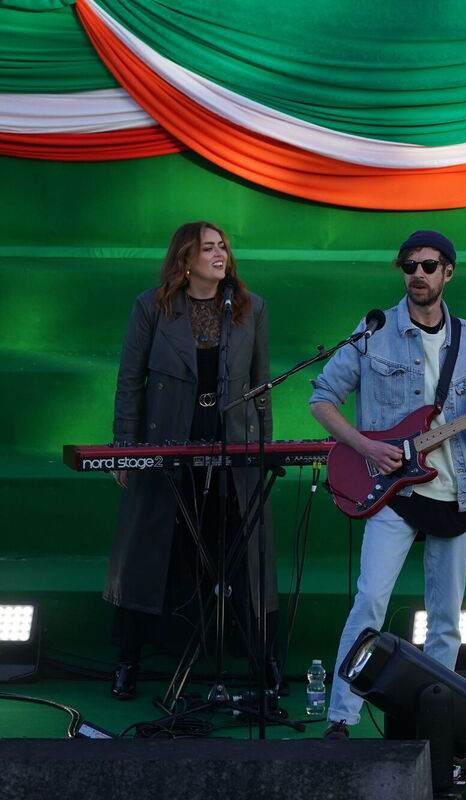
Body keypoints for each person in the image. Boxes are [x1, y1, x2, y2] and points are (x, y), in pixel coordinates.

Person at [310, 229, 466, 738]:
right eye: (409, 265)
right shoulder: (373, 329)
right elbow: (321, 399)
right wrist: (365, 447)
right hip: (393, 490)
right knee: (370, 603)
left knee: (445, 618)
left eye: (429, 265)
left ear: (448, 272)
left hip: (457, 488)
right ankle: (341, 717)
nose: (418, 274)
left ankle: (435, 719)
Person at [106, 221, 277, 700]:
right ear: (185, 259)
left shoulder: (250, 307)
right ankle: (129, 662)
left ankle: (265, 661)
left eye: (223, 246)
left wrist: (264, 449)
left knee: (245, 553)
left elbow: (261, 389)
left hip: (233, 444)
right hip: (169, 441)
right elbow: (129, 382)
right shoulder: (152, 306)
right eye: (208, 248)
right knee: (151, 550)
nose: (220, 254)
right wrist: (125, 448)